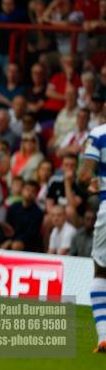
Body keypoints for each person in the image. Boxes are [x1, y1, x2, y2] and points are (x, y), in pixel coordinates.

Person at [77, 121, 106, 353]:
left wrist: (85, 183)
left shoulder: (99, 134)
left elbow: (84, 175)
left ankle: (104, 336)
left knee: (101, 270)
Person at [2, 180, 44, 251]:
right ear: (22, 190)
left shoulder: (38, 212)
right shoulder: (13, 207)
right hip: (11, 238)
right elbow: (7, 226)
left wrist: (12, 240)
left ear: (36, 194)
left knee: (16, 245)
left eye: (33, 191)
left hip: (27, 243)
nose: (29, 193)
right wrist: (8, 239)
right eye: (27, 189)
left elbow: (31, 234)